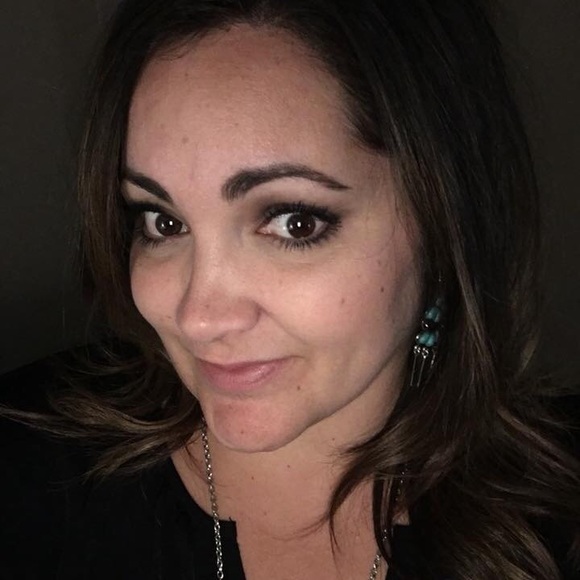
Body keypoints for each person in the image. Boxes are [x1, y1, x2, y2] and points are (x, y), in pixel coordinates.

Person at [1, 0, 579, 578]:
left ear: (446, 223)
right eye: (163, 222)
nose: (198, 317)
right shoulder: (29, 470)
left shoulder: (558, 511)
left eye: (294, 223)